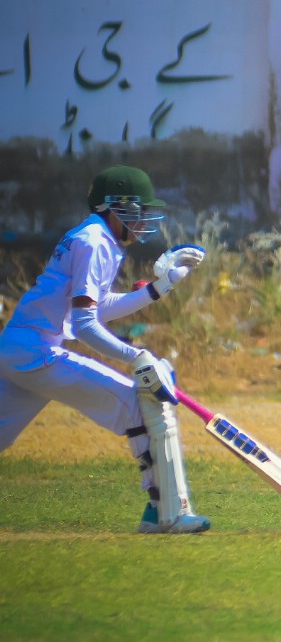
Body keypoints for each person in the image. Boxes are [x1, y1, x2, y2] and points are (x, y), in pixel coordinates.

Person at [0, 165, 213, 533]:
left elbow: (96, 308)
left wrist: (159, 288)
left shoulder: (94, 237)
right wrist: (136, 356)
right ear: (115, 208)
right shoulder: (94, 242)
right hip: (37, 351)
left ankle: (163, 514)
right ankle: (166, 514)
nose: (144, 220)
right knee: (137, 406)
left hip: (19, 347)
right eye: (138, 210)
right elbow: (85, 325)